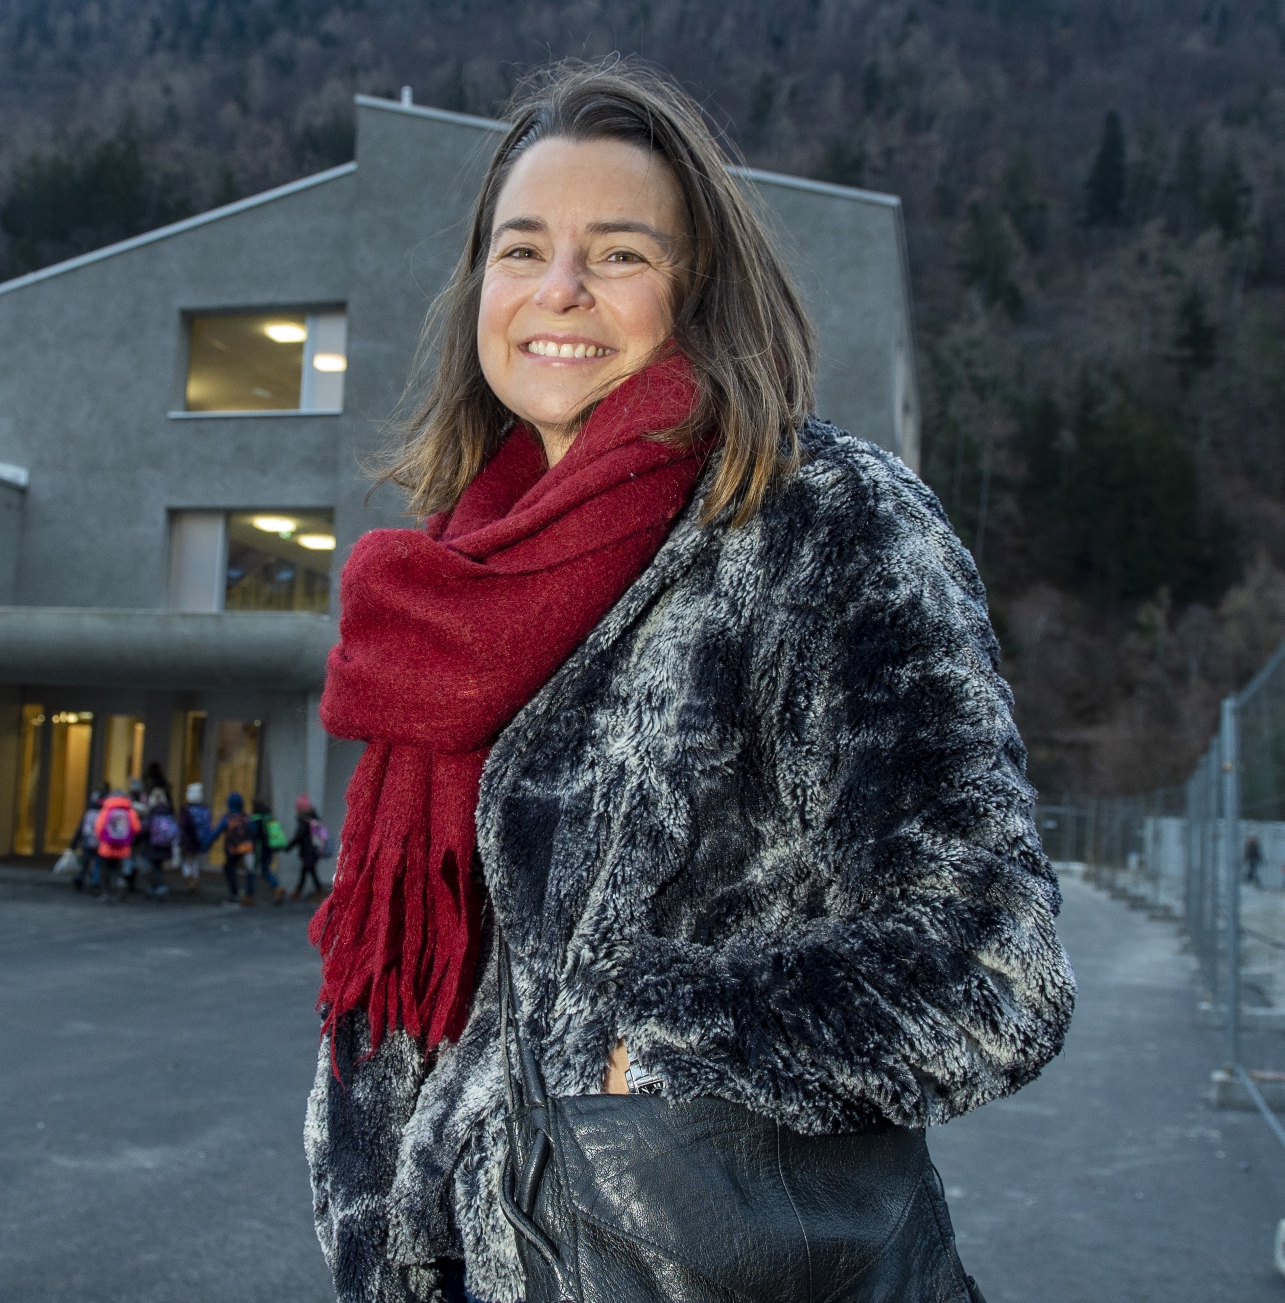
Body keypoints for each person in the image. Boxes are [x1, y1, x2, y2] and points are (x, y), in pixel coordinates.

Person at [304, 61, 1073, 1303]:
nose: (556, 290)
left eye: (616, 254)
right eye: (520, 250)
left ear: (696, 292)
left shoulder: (822, 526)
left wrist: (644, 1042)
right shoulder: (448, 580)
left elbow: (990, 968)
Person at [92, 785, 138, 902]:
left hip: (106, 846)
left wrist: (102, 839)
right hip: (123, 846)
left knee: (105, 869)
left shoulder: (107, 809)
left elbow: (98, 826)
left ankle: (105, 893)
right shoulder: (129, 810)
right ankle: (120, 882)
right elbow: (137, 827)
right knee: (116, 868)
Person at [214, 792, 258, 906]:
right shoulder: (247, 817)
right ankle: (249, 895)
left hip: (233, 850)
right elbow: (254, 832)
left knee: (229, 869)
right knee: (250, 871)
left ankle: (234, 894)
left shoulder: (227, 818)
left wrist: (204, 846)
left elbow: (215, 833)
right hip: (247, 848)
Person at [140, 788, 178, 898]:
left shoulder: (152, 812)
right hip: (165, 845)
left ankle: (156, 888)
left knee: (152, 867)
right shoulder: (168, 811)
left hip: (153, 845)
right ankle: (158, 888)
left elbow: (145, 829)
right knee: (158, 867)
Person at [288, 793, 327, 900]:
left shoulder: (305, 820)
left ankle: (319, 893)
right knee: (306, 870)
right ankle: (299, 891)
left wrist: (289, 846)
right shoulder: (314, 817)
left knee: (310, 871)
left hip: (309, 850)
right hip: (316, 849)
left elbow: (299, 836)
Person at [68, 786, 106, 894]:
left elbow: (81, 829)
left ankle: (80, 878)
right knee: (97, 862)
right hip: (99, 841)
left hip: (88, 840)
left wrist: (73, 844)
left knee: (85, 861)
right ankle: (95, 882)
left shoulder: (89, 813)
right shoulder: (104, 813)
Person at [178, 782, 214, 894]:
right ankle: (194, 879)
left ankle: (189, 880)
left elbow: (184, 825)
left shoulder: (186, 810)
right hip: (199, 840)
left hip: (188, 839)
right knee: (194, 860)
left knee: (185, 860)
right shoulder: (204, 809)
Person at [251, 797, 287, 905]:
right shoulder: (268, 817)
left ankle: (276, 887)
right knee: (266, 869)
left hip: (260, 849)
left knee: (262, 871)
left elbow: (255, 835)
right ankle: (277, 888)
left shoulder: (256, 819)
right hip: (270, 848)